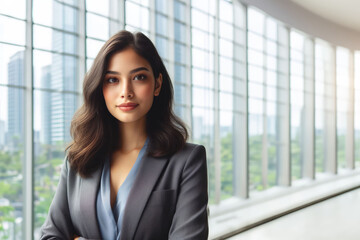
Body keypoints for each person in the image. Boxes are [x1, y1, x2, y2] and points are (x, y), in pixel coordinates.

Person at [40, 30, 208, 240]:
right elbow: (50, 236)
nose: (126, 91)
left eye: (139, 77)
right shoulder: (78, 159)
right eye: (112, 80)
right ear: (100, 87)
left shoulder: (187, 161)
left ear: (157, 84)